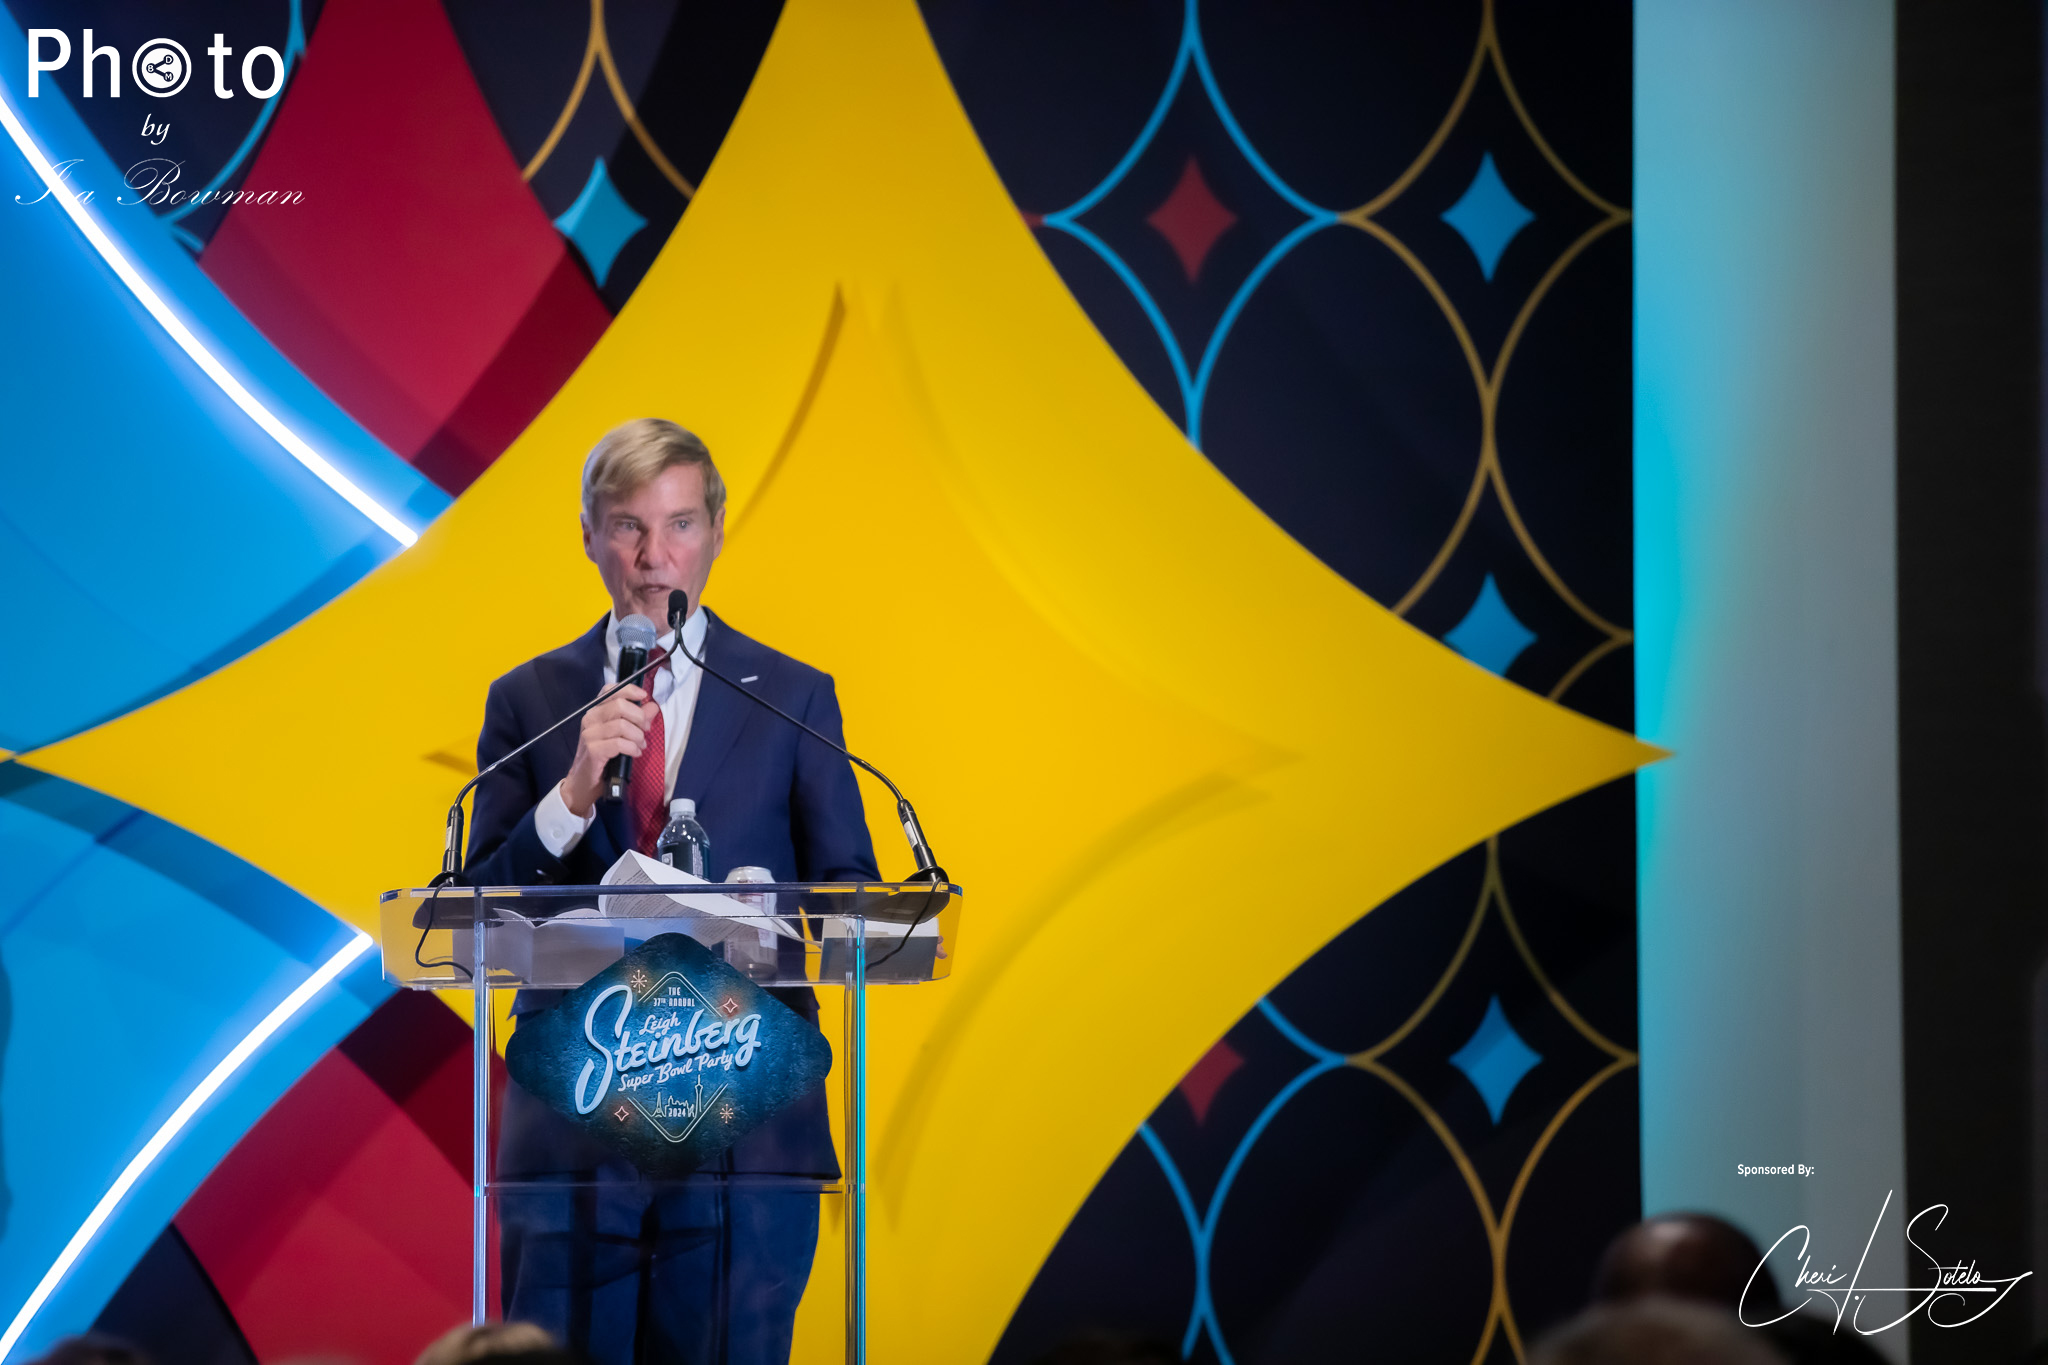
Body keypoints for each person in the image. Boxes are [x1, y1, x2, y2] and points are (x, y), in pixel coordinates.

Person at [465, 419, 880, 1364]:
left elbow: (850, 890)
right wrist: (571, 797)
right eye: (629, 527)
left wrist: (759, 917)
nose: (655, 558)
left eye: (680, 524)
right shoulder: (530, 700)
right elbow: (480, 909)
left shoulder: (792, 695)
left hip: (748, 1123)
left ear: (717, 531)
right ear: (588, 535)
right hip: (577, 1120)